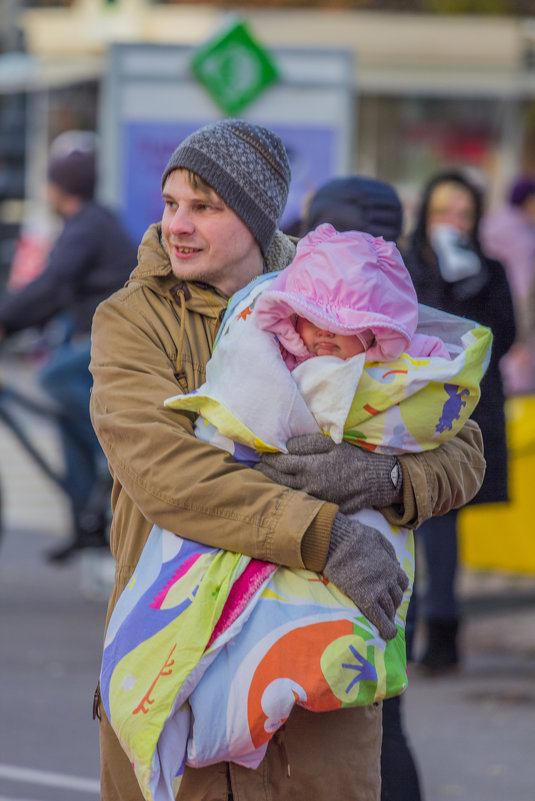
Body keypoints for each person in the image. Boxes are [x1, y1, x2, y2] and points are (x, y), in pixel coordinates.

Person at [89, 119, 486, 801]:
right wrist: (325, 534)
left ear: (253, 214)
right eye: (170, 203)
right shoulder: (133, 318)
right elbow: (167, 474)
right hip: (182, 655)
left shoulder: (336, 290)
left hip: (320, 677)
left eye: (204, 207)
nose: (175, 226)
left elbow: (458, 440)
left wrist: (384, 477)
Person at [0, 133, 137, 562]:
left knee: (54, 377)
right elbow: (57, 295)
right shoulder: (91, 221)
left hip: (121, 340)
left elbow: (51, 284)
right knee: (62, 416)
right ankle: (87, 521)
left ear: (57, 187)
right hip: (100, 336)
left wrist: (5, 320)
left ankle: (115, 456)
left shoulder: (87, 227)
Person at [402, 169, 516, 675]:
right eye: (444, 212)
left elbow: (504, 335)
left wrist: (472, 282)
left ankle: (439, 629)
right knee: (424, 515)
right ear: (426, 215)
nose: (453, 222)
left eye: (463, 213)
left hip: (469, 410)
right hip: (415, 405)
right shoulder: (407, 263)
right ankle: (426, 627)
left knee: (444, 514)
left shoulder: (488, 269)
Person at [480, 176, 535, 395]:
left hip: (488, 311)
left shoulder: (492, 224)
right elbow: (523, 288)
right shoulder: (523, 236)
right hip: (513, 315)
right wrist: (523, 335)